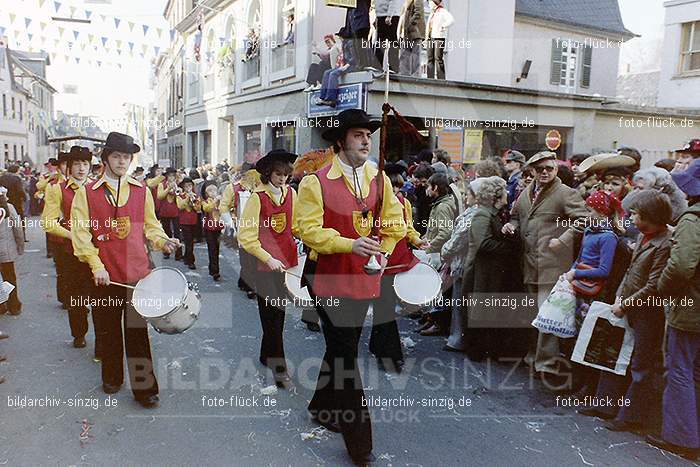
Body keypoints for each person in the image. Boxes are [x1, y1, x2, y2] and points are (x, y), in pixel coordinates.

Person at [297, 109, 406, 465]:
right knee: (346, 356)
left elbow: (394, 223)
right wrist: (349, 243)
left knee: (341, 346)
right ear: (341, 140)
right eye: (358, 135)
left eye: (368, 135)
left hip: (363, 277)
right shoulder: (316, 181)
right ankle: (359, 442)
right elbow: (306, 229)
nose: (366, 140)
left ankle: (320, 405)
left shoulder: (379, 179)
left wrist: (384, 252)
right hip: (327, 277)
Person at [70, 132, 181, 408]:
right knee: (107, 330)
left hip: (136, 276)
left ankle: (144, 388)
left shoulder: (141, 190)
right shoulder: (87, 193)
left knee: (137, 333)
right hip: (104, 276)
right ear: (106, 158)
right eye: (117, 156)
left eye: (127, 157)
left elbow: (151, 226)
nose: (122, 162)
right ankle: (112, 377)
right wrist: (96, 265)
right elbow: (81, 235)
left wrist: (163, 241)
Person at [584, 190, 672, 434]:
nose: (630, 219)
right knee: (612, 353)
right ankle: (605, 404)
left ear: (650, 216)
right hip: (627, 304)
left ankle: (630, 416)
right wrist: (620, 296)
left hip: (646, 312)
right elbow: (631, 271)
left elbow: (653, 285)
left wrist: (625, 303)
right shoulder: (645, 237)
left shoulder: (664, 243)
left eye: (635, 214)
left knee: (640, 363)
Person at [502, 151, 588, 387]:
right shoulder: (526, 193)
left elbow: (583, 219)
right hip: (529, 264)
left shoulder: (565, 193)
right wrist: (510, 226)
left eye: (549, 168)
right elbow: (515, 216)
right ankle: (534, 359)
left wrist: (563, 240)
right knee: (534, 316)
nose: (545, 172)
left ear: (556, 169)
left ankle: (546, 364)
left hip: (551, 265)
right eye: (540, 169)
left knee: (547, 317)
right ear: (531, 171)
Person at [648, 159, 700, 460]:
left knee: (679, 369)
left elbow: (680, 266)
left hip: (690, 306)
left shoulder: (692, 220)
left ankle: (681, 436)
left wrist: (662, 287)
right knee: (695, 372)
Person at [239, 150, 299, 388]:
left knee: (279, 315)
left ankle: (266, 354)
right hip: (264, 267)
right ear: (268, 173)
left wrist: (305, 242)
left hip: (285, 265)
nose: (283, 179)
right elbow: (246, 237)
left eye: (286, 174)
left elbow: (294, 226)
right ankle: (280, 369)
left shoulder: (291, 193)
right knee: (270, 317)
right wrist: (268, 258)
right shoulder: (257, 198)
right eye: (278, 173)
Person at [41, 146, 102, 353]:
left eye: (85, 164)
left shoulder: (97, 188)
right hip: (70, 253)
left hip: (96, 251)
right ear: (69, 167)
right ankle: (79, 333)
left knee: (100, 296)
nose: (81, 168)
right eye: (77, 164)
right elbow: (48, 223)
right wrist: (73, 236)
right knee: (76, 297)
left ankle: (103, 339)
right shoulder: (57, 189)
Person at [370, 166, 426, 372]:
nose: (395, 192)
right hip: (381, 259)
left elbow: (408, 227)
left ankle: (380, 347)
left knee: (386, 305)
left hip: (400, 258)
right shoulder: (373, 204)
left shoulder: (405, 203)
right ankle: (388, 354)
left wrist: (417, 240)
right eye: (391, 187)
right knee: (383, 305)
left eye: (398, 188)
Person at [418, 172, 458, 336]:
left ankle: (438, 322)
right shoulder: (440, 203)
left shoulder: (442, 206)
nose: (427, 189)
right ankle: (431, 319)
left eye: (429, 186)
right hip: (437, 251)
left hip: (439, 254)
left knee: (437, 289)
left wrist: (428, 246)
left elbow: (445, 233)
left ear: (435, 188)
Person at [0, 187, 24, 316]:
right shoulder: (9, 208)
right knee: (9, 278)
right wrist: (20, 246)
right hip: (7, 251)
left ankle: (1, 305)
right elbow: (17, 228)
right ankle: (14, 305)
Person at [157, 167, 183, 260]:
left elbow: (181, 198)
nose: (171, 177)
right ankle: (166, 252)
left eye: (173, 176)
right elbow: (159, 196)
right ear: (167, 176)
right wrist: (168, 188)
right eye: (170, 175)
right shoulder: (161, 185)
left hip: (175, 212)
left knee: (177, 233)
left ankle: (179, 254)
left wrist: (178, 192)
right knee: (166, 233)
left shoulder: (178, 185)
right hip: (164, 212)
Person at [176, 177, 202, 270]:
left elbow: (198, 209)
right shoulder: (180, 196)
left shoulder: (196, 196)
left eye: (190, 185)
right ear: (183, 187)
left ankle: (187, 257)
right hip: (184, 222)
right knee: (188, 241)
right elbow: (180, 206)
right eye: (186, 186)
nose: (188, 187)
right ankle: (191, 261)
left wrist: (193, 200)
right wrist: (187, 197)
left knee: (190, 242)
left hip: (194, 221)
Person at [201, 180, 224, 281]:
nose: (212, 192)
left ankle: (214, 269)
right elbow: (207, 208)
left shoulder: (221, 200)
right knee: (212, 248)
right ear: (206, 193)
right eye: (210, 190)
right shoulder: (205, 201)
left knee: (217, 249)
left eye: (214, 190)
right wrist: (215, 201)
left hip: (218, 227)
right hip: (209, 228)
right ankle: (214, 271)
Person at [425, 0, 454, 79]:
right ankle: (429, 78)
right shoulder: (432, 13)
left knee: (438, 58)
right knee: (430, 58)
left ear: (435, 2)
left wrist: (443, 26)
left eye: (430, 2)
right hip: (430, 38)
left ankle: (441, 78)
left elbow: (451, 20)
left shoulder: (442, 11)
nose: (429, 4)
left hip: (439, 37)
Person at [397, 0, 425, 77]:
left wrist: (409, 24)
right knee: (405, 53)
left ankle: (415, 75)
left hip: (415, 31)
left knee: (415, 54)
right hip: (406, 32)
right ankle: (404, 73)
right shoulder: (406, 2)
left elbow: (418, 14)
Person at [374, 0, 403, 72]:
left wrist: (390, 15)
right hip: (381, 15)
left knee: (392, 40)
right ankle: (378, 66)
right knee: (380, 41)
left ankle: (393, 67)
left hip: (390, 15)